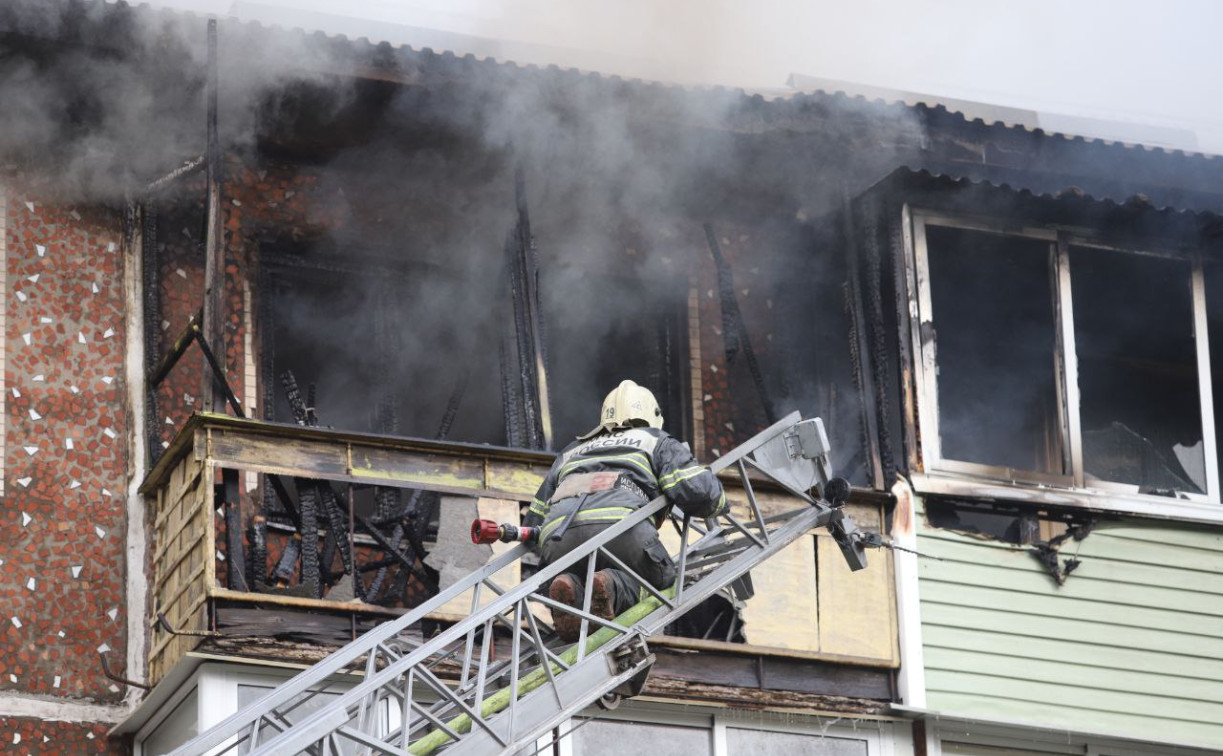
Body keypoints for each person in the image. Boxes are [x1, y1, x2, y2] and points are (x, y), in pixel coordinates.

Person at [524, 379, 726, 641]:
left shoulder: (570, 452)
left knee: (579, 574)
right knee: (663, 580)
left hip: (559, 538)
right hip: (622, 530)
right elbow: (699, 493)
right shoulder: (656, 440)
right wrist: (720, 503)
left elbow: (534, 521)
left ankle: (570, 585)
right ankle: (611, 587)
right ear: (652, 416)